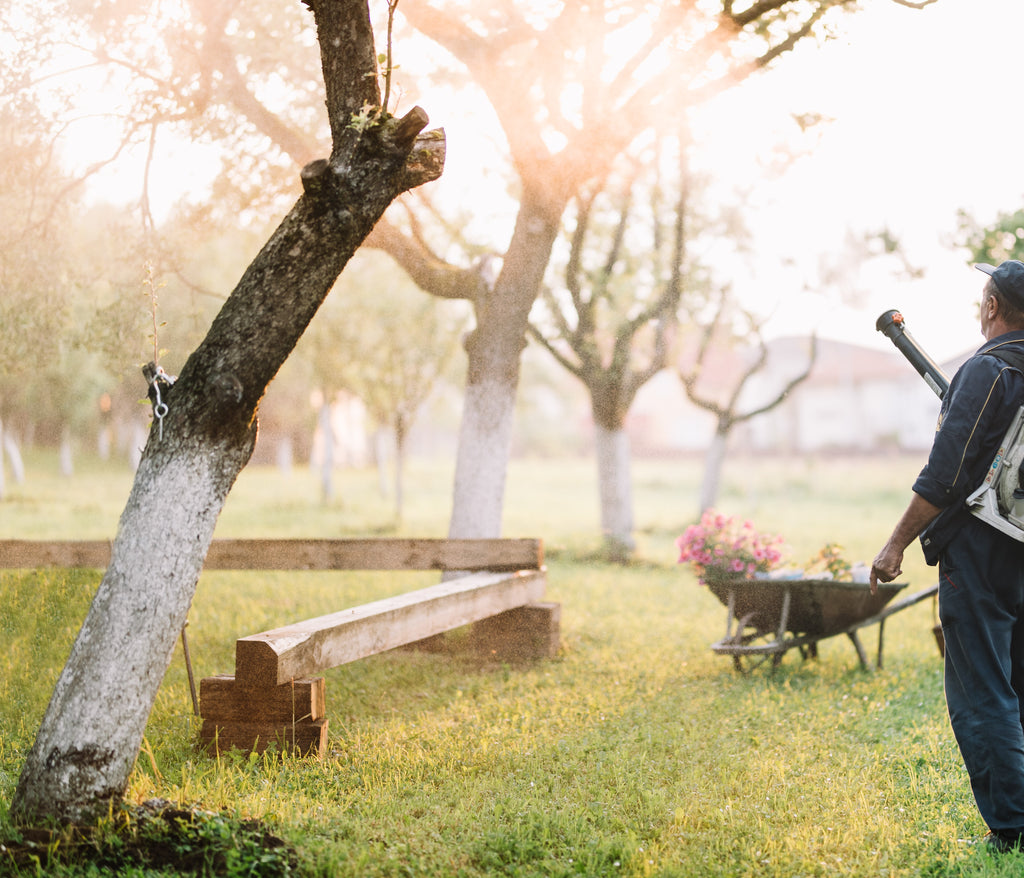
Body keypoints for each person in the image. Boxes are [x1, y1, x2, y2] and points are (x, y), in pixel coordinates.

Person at [871, 260, 1024, 851]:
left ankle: (1011, 828)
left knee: (984, 689)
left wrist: (895, 543)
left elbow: (945, 475)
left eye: (980, 299)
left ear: (992, 308)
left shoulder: (987, 370)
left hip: (983, 552)